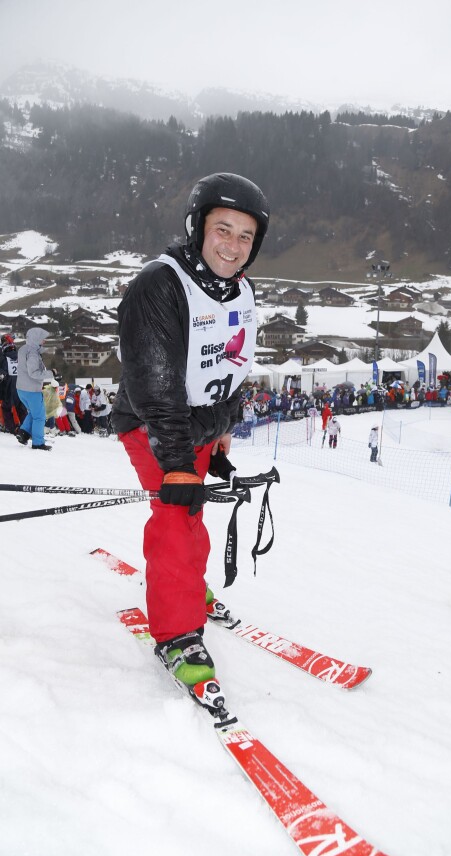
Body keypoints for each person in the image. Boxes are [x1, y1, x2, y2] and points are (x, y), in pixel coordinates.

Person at [112, 172, 269, 687]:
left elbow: (234, 366)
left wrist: (223, 427)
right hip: (154, 425)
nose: (233, 245)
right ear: (198, 228)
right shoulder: (160, 286)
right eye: (223, 229)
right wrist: (179, 466)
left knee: (191, 511)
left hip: (198, 426)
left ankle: (186, 583)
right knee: (176, 517)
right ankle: (178, 632)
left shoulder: (239, 290)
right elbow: (156, 393)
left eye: (245, 236)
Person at [15, 327, 54, 450]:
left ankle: (23, 433)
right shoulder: (32, 353)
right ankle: (38, 443)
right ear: (36, 339)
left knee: (34, 412)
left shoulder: (23, 349)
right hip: (32, 390)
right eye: (43, 339)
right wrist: (52, 373)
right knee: (40, 416)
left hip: (21, 388)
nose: (44, 341)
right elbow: (34, 373)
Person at [0, 333, 27, 435]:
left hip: (9, 388)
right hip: (21, 386)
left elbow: (3, 372)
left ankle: (13, 429)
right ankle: (26, 429)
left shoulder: (3, 358)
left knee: (6, 408)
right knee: (22, 409)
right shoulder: (20, 357)